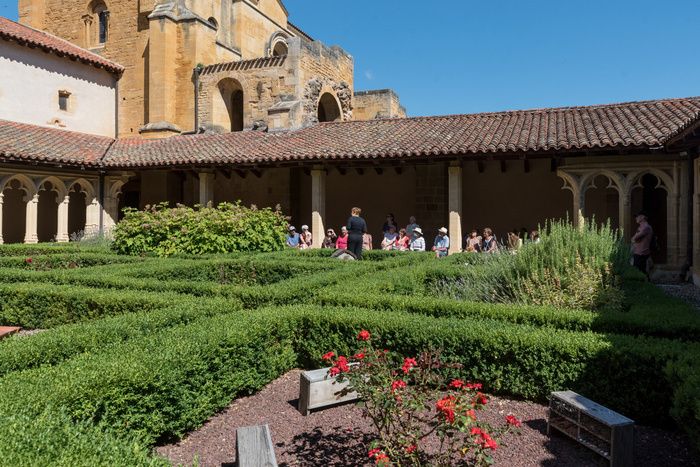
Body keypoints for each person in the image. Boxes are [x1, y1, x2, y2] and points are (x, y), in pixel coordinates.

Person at [631, 211, 653, 277]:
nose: (636, 218)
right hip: (638, 253)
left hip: (642, 253)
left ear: (643, 217)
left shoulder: (646, 227)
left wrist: (634, 238)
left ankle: (646, 285)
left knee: (640, 272)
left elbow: (634, 238)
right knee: (639, 272)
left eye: (637, 216)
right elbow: (634, 238)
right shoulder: (641, 227)